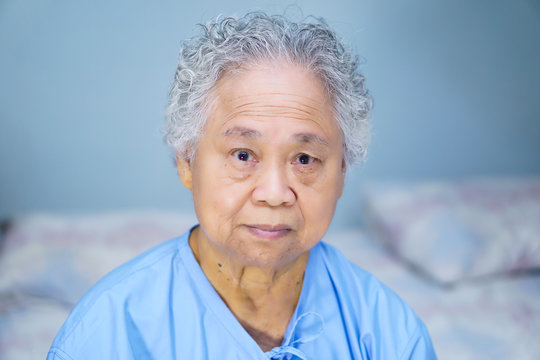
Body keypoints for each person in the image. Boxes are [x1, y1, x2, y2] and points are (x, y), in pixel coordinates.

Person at [47, 12, 436, 359]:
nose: (273, 193)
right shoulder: (109, 331)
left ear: (342, 173)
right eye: (243, 155)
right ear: (187, 162)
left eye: (304, 159)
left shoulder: (389, 336)